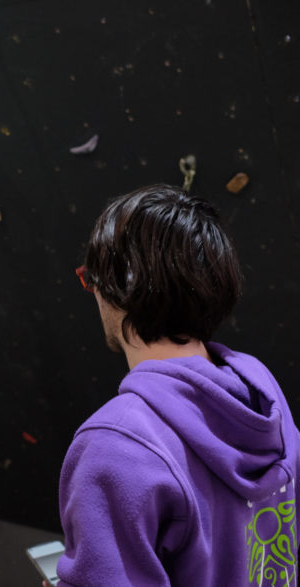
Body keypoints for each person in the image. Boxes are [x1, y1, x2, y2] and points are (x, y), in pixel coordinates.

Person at [57, 184, 300, 586]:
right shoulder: (263, 397)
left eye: (91, 278)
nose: (94, 292)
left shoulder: (116, 444)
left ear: (121, 284)